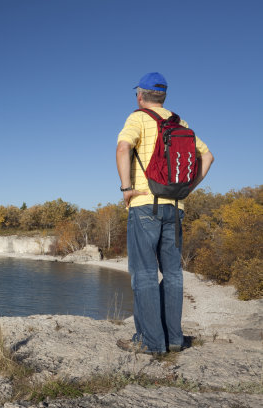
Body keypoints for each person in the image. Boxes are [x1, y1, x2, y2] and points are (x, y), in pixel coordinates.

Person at [115, 72, 214, 354]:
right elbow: (207, 156)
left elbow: (123, 148)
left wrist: (126, 188)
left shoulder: (138, 118)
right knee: (173, 273)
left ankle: (151, 342)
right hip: (175, 207)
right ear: (164, 96)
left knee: (144, 273)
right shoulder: (179, 122)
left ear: (140, 95)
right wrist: (189, 188)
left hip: (145, 204)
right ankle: (173, 339)